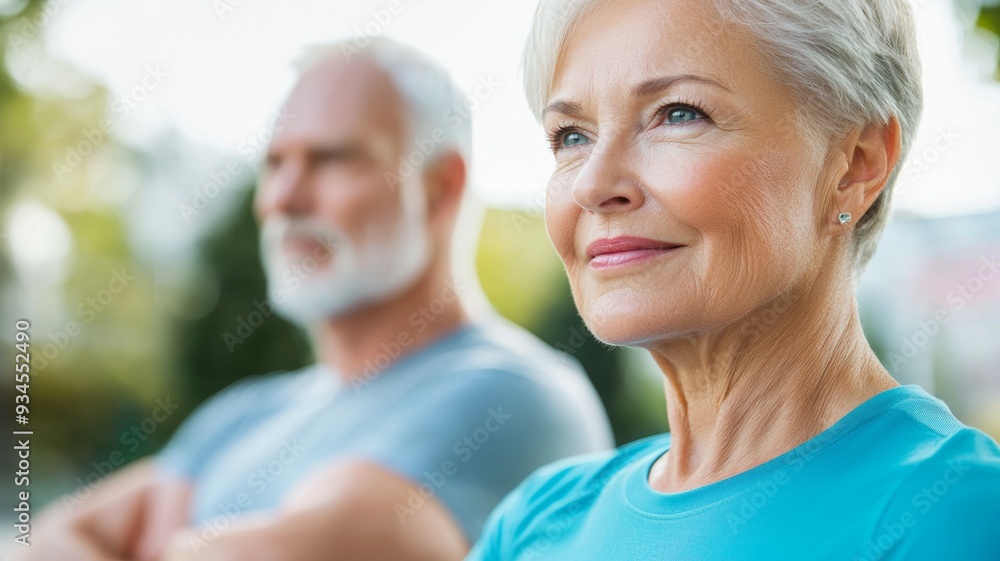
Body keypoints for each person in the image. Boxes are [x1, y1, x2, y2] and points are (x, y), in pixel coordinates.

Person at [19, 38, 613, 561]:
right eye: (274, 164)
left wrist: (167, 539)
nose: (283, 197)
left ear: (439, 186)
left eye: (330, 160)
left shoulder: (514, 394)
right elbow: (45, 541)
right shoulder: (240, 415)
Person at [467, 0, 1000, 559]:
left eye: (677, 114)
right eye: (572, 136)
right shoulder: (535, 522)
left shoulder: (958, 516)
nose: (593, 185)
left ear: (855, 165)